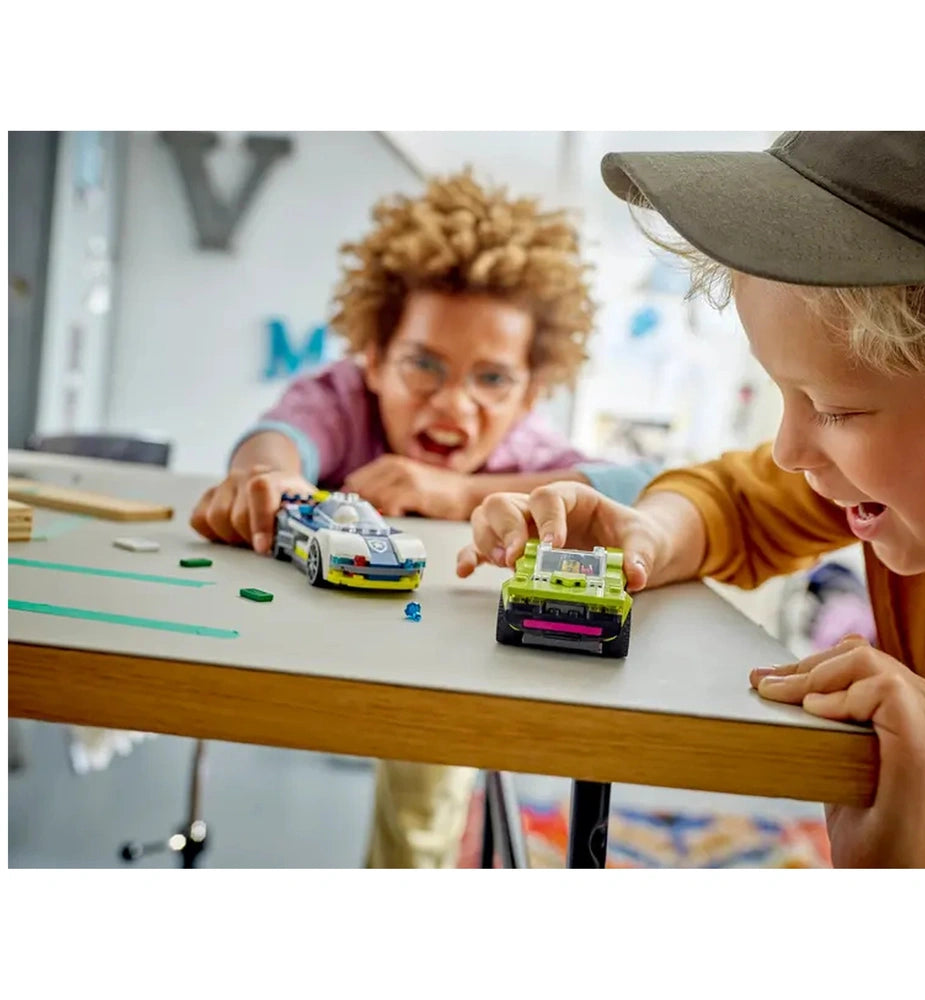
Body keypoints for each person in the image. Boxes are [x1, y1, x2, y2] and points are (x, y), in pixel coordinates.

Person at [456, 132, 925, 867]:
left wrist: (908, 867)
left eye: (835, 407)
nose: (788, 450)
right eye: (783, 393)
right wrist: (648, 536)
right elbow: (742, 500)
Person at [190, 169, 658, 867]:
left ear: (531, 391)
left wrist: (447, 491)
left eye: (492, 379)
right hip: (307, 649)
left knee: (422, 803)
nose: (454, 406)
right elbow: (279, 439)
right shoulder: (343, 398)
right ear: (373, 359)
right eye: (423, 366)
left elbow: (637, 484)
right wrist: (264, 477)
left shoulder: (525, 451)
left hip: (437, 670)